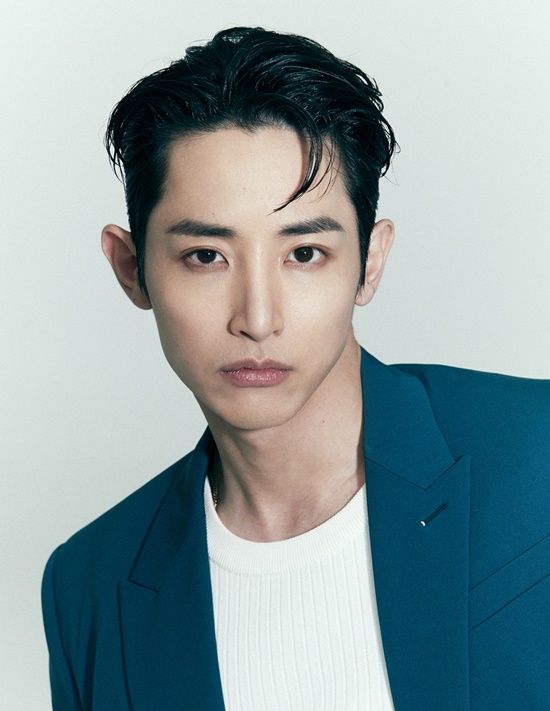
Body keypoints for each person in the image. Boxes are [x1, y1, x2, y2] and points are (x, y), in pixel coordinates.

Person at [41, 25, 550, 711]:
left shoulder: (535, 454)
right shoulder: (89, 586)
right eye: (205, 256)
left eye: (304, 254)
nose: (258, 317)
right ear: (132, 269)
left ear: (370, 262)